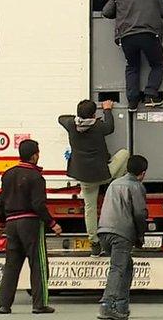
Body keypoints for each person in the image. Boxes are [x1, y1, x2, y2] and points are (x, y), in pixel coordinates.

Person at [0, 140, 62, 315]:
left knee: (11, 264)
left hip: (11, 223)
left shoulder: (8, 174)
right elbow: (38, 204)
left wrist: (1, 222)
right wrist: (52, 223)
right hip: (30, 223)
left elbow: (0, 200)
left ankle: (4, 304)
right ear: (34, 156)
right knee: (38, 264)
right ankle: (39, 304)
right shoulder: (36, 177)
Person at [58, 99, 130, 257]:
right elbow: (110, 127)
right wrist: (107, 109)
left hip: (83, 176)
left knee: (89, 208)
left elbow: (60, 118)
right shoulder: (98, 127)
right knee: (124, 153)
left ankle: (94, 243)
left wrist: (79, 118)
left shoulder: (70, 124)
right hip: (102, 175)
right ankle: (116, 182)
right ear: (93, 114)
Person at [102, 0, 163, 111]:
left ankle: (132, 102)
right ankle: (150, 95)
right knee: (158, 64)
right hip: (149, 34)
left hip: (127, 36)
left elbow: (107, 12)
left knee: (132, 66)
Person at [97, 155, 149, 320]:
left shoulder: (114, 183)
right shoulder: (136, 186)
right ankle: (107, 304)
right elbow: (140, 214)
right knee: (118, 268)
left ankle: (122, 306)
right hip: (121, 233)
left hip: (104, 230)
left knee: (126, 266)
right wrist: (141, 236)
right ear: (143, 173)